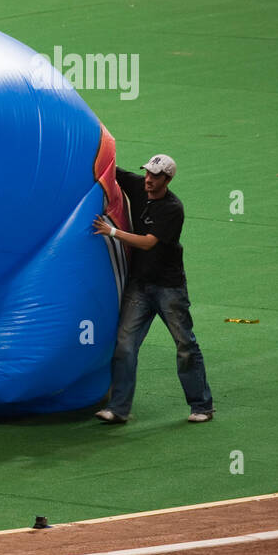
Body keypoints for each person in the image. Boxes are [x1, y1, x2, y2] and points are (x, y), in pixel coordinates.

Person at [92, 154, 214, 424]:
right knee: (125, 345)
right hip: (140, 285)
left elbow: (148, 243)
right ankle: (119, 408)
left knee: (185, 345)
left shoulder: (172, 209)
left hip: (169, 288)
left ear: (167, 179)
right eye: (147, 173)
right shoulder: (139, 186)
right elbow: (111, 170)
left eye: (155, 176)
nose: (148, 179)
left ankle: (202, 405)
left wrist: (112, 232)